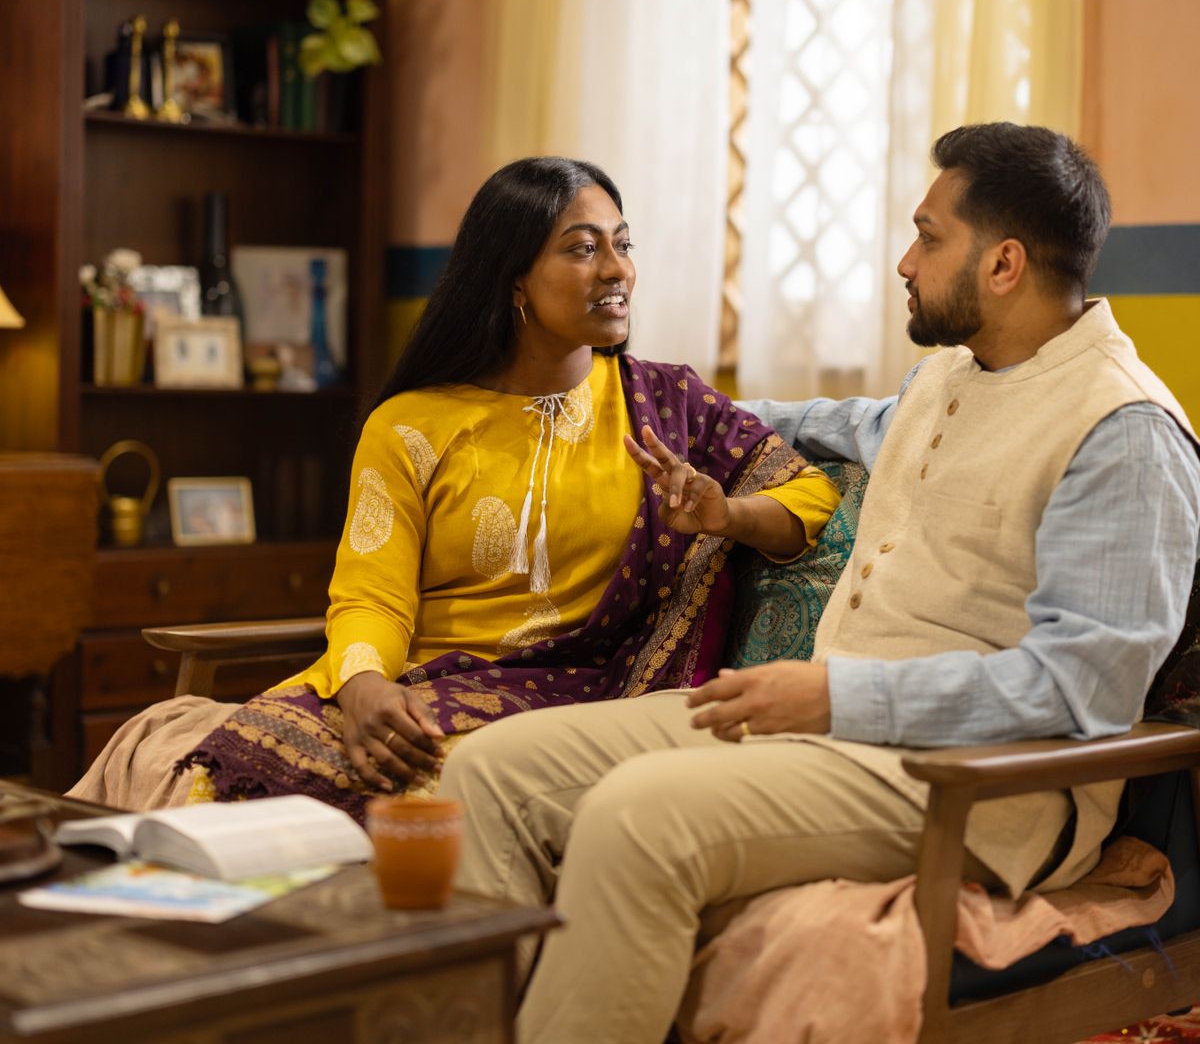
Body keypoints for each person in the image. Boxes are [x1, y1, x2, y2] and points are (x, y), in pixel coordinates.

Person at [436, 123, 1200, 1044]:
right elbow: (820, 422)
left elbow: (1084, 689)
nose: (905, 262)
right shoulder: (950, 380)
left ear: (1003, 264)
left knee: (636, 820)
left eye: (928, 238)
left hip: (980, 785)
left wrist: (837, 695)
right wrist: (643, 417)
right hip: (830, 732)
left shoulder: (1122, 432)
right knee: (489, 773)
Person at [70, 157, 840, 814]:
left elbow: (809, 495)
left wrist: (728, 515)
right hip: (417, 681)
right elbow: (372, 593)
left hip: (583, 699)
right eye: (584, 248)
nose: (617, 270)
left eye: (623, 244)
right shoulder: (413, 425)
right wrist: (363, 686)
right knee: (213, 769)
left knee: (402, 787)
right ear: (513, 278)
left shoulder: (666, 405)